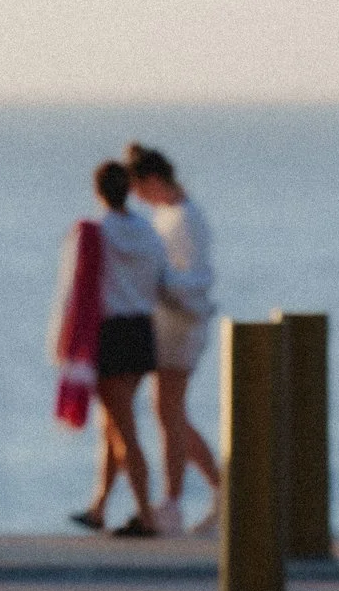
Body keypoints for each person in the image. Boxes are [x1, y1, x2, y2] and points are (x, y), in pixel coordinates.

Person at [51, 160, 201, 537]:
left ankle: (145, 516)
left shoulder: (94, 233)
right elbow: (166, 282)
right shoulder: (148, 232)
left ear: (98, 192)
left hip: (110, 333)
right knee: (112, 424)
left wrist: (62, 340)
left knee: (124, 429)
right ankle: (99, 507)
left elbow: (72, 290)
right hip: (140, 332)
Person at [126, 144, 220, 536]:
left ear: (152, 181)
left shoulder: (186, 218)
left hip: (183, 322)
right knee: (169, 411)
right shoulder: (167, 216)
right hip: (166, 321)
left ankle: (174, 500)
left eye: (138, 188)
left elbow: (198, 276)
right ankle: (217, 489)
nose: (137, 198)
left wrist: (160, 282)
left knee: (170, 409)